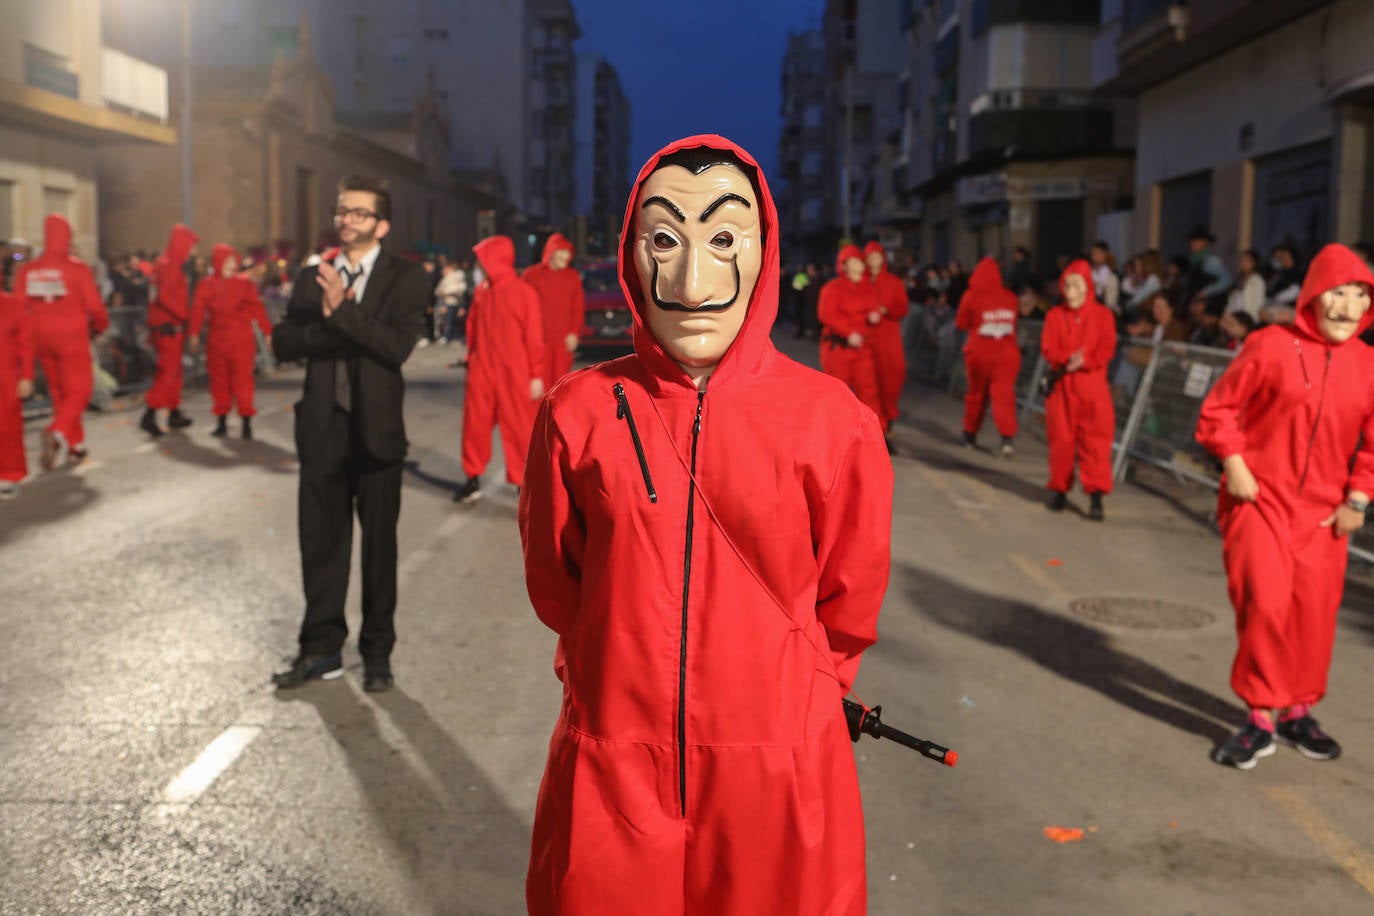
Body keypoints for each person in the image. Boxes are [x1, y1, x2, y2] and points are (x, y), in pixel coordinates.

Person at [519, 133, 892, 916]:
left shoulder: (832, 422)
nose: (693, 278)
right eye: (665, 239)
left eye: (724, 239)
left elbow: (849, 603)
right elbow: (559, 584)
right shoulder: (576, 412)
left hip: (778, 771)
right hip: (614, 767)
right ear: (630, 253)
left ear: (765, 253)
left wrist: (794, 699)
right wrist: (611, 681)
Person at [1196, 243, 1374, 770]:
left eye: (1359, 296)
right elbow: (1218, 411)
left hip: (1326, 515)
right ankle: (1259, 718)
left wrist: (1358, 500)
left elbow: (1371, 445)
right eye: (1336, 294)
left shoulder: (1369, 365)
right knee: (1266, 606)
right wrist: (1236, 465)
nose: (1346, 308)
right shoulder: (1270, 345)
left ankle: (1298, 711)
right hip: (1260, 503)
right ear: (1313, 297)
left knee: (1312, 618)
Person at [269, 175, 430, 693]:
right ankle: (320, 648)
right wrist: (334, 321)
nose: (346, 220)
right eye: (341, 211)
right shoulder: (313, 274)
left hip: (377, 433)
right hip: (321, 428)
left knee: (379, 550)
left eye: (358, 213)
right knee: (321, 546)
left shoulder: (407, 278)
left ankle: (377, 651)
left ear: (381, 224)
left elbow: (394, 348)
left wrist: (343, 312)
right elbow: (284, 341)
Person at [452, 235, 546, 503]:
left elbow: (534, 335)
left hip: (514, 369)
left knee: (519, 427)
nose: (478, 265)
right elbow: (472, 327)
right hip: (482, 367)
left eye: (483, 259)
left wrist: (536, 374)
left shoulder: (523, 293)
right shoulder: (482, 292)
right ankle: (472, 478)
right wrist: (471, 358)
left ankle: (523, 484)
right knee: (475, 425)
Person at [14, 215, 109, 468]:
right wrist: (99, 328)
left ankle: (75, 446)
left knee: (60, 392)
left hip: (40, 338)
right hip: (71, 337)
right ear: (67, 237)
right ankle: (56, 430)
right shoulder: (77, 268)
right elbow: (96, 308)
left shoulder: (28, 270)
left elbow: (18, 308)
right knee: (80, 390)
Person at [1042, 260, 1117, 521]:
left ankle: (1096, 497)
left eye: (1076, 286)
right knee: (1061, 441)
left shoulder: (1103, 316)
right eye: (1067, 286)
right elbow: (1048, 347)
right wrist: (1065, 358)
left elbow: (1107, 348)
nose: (1070, 292)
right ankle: (1060, 490)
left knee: (1095, 444)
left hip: (1092, 389)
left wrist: (1087, 361)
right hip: (1063, 389)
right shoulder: (1054, 316)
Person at [188, 244, 272, 438]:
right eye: (228, 259)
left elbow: (257, 309)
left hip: (241, 340)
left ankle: (246, 422)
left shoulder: (244, 283)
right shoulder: (207, 285)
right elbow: (198, 310)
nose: (232, 263)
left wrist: (268, 331)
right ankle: (222, 421)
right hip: (217, 340)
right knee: (219, 381)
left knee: (242, 381)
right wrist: (193, 333)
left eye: (234, 259)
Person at [955, 257, 1020, 456]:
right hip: (1007, 353)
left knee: (976, 394)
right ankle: (1007, 438)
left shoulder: (971, 296)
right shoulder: (1010, 297)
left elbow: (961, 323)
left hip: (979, 353)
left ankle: (970, 432)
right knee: (1004, 395)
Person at [142, 223, 199, 437]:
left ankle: (174, 412)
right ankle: (150, 413)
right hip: (169, 327)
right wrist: (185, 316)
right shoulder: (172, 266)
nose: (193, 251)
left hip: (163, 327)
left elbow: (157, 297)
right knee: (168, 372)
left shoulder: (162, 264)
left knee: (174, 372)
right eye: (191, 246)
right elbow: (165, 297)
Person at [818, 244, 885, 429]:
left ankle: (878, 433)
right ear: (844, 265)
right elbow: (826, 315)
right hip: (838, 348)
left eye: (859, 262)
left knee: (869, 392)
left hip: (862, 348)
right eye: (853, 262)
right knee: (838, 393)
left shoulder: (868, 288)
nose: (858, 266)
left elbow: (874, 308)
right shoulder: (833, 288)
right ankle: (836, 433)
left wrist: (875, 315)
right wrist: (847, 333)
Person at [521, 232, 584, 388]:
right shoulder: (531, 275)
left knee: (559, 386)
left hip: (561, 342)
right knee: (536, 385)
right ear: (551, 252)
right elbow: (521, 307)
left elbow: (577, 308)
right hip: (537, 341)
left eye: (568, 253)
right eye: (562, 252)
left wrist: (574, 333)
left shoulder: (572, 277)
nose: (566, 257)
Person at [863, 241, 909, 438]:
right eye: (870, 257)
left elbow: (902, 308)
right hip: (866, 340)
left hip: (888, 340)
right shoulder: (860, 283)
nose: (873, 260)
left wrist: (885, 310)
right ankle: (874, 424)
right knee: (868, 385)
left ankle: (888, 417)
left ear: (883, 259)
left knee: (891, 379)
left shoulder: (894, 282)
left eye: (877, 256)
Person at [0, 287, 34, 498]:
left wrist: (26, 376)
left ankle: (9, 475)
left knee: (7, 426)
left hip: (6, 376)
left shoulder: (12, 305)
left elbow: (25, 343)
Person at [1225, 248, 1266, 321]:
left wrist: (1249, 320)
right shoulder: (1240, 279)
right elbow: (1232, 300)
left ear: (1254, 263)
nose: (1243, 263)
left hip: (1246, 320)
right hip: (1234, 317)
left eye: (1246, 261)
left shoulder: (1257, 281)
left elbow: (1256, 305)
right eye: (1242, 260)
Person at [433, 259, 467, 345]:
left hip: (453, 302)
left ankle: (447, 336)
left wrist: (447, 293)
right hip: (445, 302)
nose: (443, 270)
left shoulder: (455, 277)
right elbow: (438, 291)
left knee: (449, 321)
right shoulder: (445, 278)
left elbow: (460, 290)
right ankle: (447, 335)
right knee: (446, 320)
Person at [1089, 240, 1121, 314]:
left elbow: (1110, 303)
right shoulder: (1088, 273)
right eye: (1092, 254)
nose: (1093, 257)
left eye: (1097, 254)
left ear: (1105, 255)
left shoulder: (1111, 277)